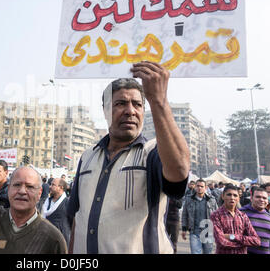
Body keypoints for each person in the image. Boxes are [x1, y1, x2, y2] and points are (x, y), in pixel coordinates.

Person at [67, 62, 190, 254]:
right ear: (106, 110)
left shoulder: (153, 152)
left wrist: (158, 101)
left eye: (138, 104)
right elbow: (77, 216)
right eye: (120, 104)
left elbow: (180, 171)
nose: (130, 111)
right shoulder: (87, 156)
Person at [210, 184, 260, 254]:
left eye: (235, 195)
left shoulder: (243, 216)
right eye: (229, 195)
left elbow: (256, 240)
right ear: (223, 196)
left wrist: (232, 236)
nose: (232, 198)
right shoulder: (216, 215)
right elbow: (221, 241)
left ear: (238, 198)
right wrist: (244, 243)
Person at [181, 179, 218, 254]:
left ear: (206, 187)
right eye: (198, 186)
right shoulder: (189, 199)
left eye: (202, 186)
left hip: (208, 232)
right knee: (195, 252)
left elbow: (217, 216)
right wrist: (184, 228)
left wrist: (218, 230)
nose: (199, 188)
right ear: (195, 187)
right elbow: (184, 215)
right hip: (194, 231)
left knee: (207, 252)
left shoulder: (211, 200)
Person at [239, 187, 270, 254]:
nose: (261, 200)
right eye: (258, 197)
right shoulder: (240, 213)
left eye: (264, 198)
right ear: (251, 198)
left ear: (267, 201)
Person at [42, 178, 72, 245]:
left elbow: (71, 223)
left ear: (60, 188)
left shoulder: (67, 203)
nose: (50, 186)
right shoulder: (47, 201)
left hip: (61, 240)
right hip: (47, 238)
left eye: (53, 185)